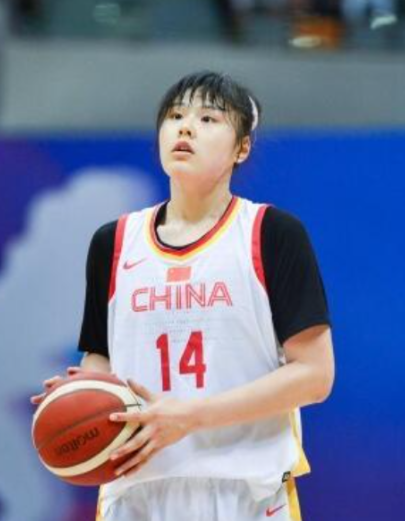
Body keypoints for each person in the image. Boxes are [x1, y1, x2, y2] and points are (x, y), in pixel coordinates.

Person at [31, 71, 335, 521]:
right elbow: (102, 360)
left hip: (244, 493)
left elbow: (315, 376)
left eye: (208, 119)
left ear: (242, 148)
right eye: (175, 116)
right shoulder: (113, 243)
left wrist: (190, 416)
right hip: (135, 494)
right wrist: (82, 392)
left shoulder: (272, 234)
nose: (186, 128)